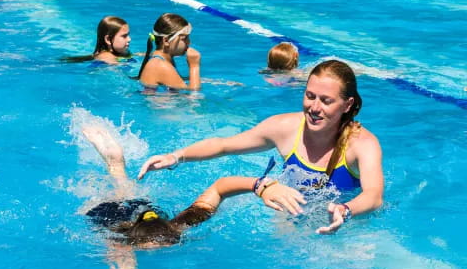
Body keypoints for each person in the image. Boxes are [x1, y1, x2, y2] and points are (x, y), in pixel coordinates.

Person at [137, 59, 384, 234]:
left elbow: (374, 196)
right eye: (310, 96)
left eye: (326, 101)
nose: (314, 107)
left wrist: (345, 209)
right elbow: (224, 145)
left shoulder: (361, 144)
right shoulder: (285, 128)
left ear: (347, 104)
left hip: (346, 225)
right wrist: (176, 156)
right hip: (291, 212)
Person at [80, 125, 269, 269]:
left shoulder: (179, 226)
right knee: (104, 198)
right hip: (107, 213)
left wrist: (259, 187)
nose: (158, 251)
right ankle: (116, 164)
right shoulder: (121, 245)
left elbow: (219, 190)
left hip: (139, 210)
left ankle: (117, 164)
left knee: (122, 189)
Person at [134, 13, 201, 92]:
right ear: (166, 41)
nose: (189, 42)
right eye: (184, 38)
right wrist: (194, 66)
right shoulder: (160, 65)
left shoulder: (161, 60)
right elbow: (194, 96)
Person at [62, 16, 134, 64]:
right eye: (124, 36)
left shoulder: (120, 52)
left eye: (128, 35)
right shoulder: (106, 57)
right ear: (108, 39)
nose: (129, 39)